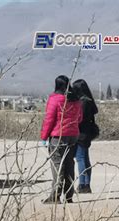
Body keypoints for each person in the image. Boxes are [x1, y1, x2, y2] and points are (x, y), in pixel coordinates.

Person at [40, 75, 82, 204]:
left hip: (58, 136)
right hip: (73, 135)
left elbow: (49, 119)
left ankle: (55, 196)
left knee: (57, 166)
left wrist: (44, 136)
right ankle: (69, 195)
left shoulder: (55, 99)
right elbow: (79, 118)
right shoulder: (75, 100)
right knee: (69, 165)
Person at [72, 79, 99, 194]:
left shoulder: (83, 102)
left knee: (80, 159)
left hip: (81, 133)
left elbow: (79, 119)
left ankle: (83, 184)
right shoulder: (89, 101)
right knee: (85, 158)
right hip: (87, 133)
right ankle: (86, 184)